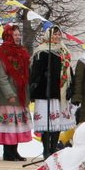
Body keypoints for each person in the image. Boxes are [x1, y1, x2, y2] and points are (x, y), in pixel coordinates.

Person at [30, 25, 76, 159]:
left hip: (59, 93)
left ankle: (53, 147)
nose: (56, 37)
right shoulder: (42, 51)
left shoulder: (64, 51)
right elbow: (35, 73)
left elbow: (69, 72)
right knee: (46, 123)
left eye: (58, 34)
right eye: (54, 34)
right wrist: (39, 81)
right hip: (45, 93)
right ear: (48, 35)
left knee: (57, 123)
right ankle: (45, 149)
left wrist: (70, 87)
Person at [0, 24, 32, 161]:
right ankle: (7, 152)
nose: (18, 37)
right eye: (15, 35)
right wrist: (10, 94)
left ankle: (14, 151)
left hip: (20, 93)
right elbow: (1, 77)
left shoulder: (22, 51)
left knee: (16, 125)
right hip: (9, 96)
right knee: (8, 124)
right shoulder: (2, 52)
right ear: (8, 36)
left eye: (19, 34)